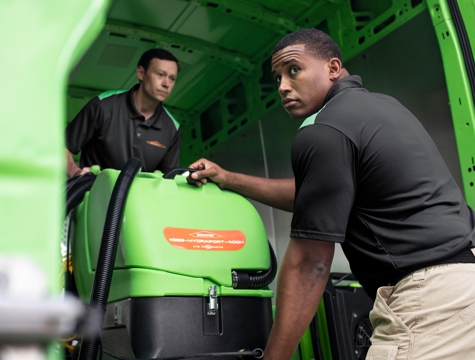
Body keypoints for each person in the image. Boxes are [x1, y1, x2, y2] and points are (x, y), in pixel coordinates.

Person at [187, 29, 475, 360]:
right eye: (277, 77)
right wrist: (227, 178)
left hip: (428, 305)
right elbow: (314, 196)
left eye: (293, 70)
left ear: (333, 68)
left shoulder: (323, 129)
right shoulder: (384, 107)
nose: (282, 86)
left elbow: (309, 263)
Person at [66, 48, 181, 178]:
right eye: (160, 74)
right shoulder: (104, 105)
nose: (166, 84)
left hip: (136, 198)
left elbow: (169, 179)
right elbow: (62, 147)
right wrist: (75, 173)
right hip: (92, 194)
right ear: (141, 73)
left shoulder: (172, 128)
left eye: (172, 78)